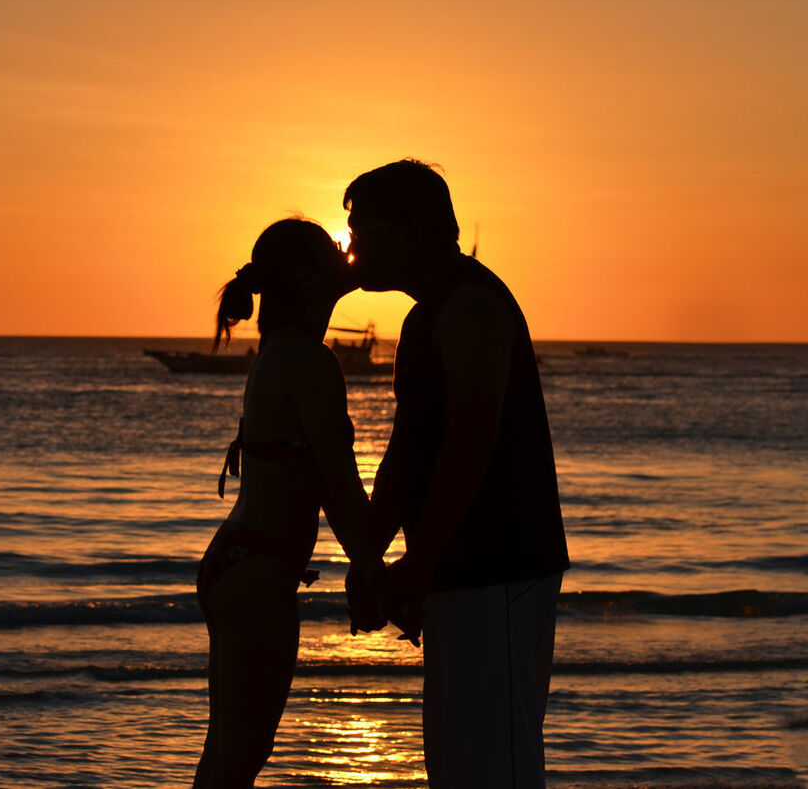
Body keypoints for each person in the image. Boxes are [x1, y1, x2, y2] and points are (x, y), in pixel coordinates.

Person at [343, 160, 571, 788]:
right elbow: (407, 453)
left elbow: (471, 441)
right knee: (458, 764)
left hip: (498, 568)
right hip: (457, 572)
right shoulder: (425, 319)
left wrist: (418, 563)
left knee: (494, 765)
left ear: (412, 230)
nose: (353, 250)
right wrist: (370, 559)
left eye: (362, 234)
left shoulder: (471, 304)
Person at [193, 218, 386, 789]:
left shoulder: (277, 352)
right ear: (306, 276)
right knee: (238, 763)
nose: (346, 253)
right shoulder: (309, 360)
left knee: (224, 760)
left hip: (237, 563)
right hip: (260, 575)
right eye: (333, 249)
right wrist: (375, 577)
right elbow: (340, 488)